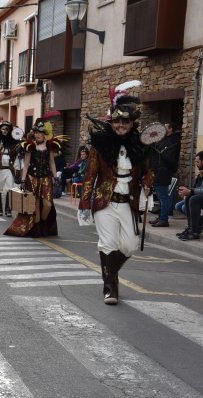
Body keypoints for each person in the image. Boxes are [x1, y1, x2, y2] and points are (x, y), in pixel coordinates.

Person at [78, 80, 153, 305]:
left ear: (132, 124)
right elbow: (90, 176)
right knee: (108, 243)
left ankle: (110, 272)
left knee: (129, 245)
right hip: (105, 202)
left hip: (128, 203)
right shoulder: (100, 146)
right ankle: (110, 288)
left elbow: (148, 171)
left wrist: (148, 183)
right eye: (117, 121)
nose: (121, 125)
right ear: (111, 123)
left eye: (125, 121)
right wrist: (84, 204)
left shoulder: (141, 146)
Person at [5, 120, 62, 237]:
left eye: (40, 133)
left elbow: (52, 163)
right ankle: (36, 227)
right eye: (36, 132)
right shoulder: (30, 146)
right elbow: (26, 165)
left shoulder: (50, 146)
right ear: (34, 134)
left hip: (46, 178)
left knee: (48, 204)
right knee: (34, 204)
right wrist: (22, 179)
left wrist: (56, 178)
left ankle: (42, 223)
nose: (38, 135)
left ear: (44, 134)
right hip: (32, 178)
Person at [149, 121, 181, 227]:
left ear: (171, 129)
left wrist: (159, 155)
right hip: (159, 170)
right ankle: (161, 217)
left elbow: (167, 156)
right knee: (160, 195)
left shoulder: (174, 141)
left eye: (165, 127)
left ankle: (164, 219)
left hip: (164, 171)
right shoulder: (164, 139)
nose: (163, 129)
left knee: (163, 196)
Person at [176, 151, 203, 241]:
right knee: (189, 197)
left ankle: (195, 232)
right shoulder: (200, 174)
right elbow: (196, 188)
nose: (196, 164)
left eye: (197, 162)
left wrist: (190, 191)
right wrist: (186, 191)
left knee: (194, 199)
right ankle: (191, 228)